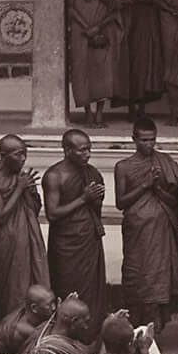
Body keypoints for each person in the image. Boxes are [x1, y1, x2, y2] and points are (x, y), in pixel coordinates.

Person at [115, 116, 178, 333]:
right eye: (144, 140)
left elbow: (174, 202)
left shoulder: (166, 163)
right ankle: (135, 331)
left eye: (152, 140)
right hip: (137, 232)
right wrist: (144, 186)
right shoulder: (123, 167)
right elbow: (121, 203)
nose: (149, 145)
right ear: (134, 139)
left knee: (158, 280)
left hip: (160, 232)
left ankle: (154, 335)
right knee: (137, 278)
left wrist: (157, 189)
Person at [0, 134, 49, 330]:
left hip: (25, 237)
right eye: (18, 155)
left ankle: (23, 333)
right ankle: (1, 334)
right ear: (3, 155)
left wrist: (30, 192)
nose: (23, 159)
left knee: (25, 286)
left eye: (25, 154)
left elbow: (33, 209)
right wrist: (19, 188)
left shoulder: (20, 176)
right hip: (1, 242)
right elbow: (1, 215)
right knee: (5, 290)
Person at [43, 129, 107, 328]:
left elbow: (96, 207)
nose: (87, 154)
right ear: (67, 150)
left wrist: (95, 199)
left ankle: (91, 334)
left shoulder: (92, 172)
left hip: (88, 238)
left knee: (92, 290)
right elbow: (52, 213)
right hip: (66, 244)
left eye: (89, 149)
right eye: (81, 150)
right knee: (67, 287)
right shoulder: (54, 176)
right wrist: (83, 198)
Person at [67, 0, 132, 126]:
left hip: (103, 28)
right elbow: (70, 8)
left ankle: (100, 114)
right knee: (82, 70)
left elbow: (119, 5)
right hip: (81, 30)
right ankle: (87, 112)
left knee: (103, 71)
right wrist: (86, 27)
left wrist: (98, 27)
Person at [112, 0, 163, 117]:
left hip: (147, 18)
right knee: (129, 60)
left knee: (145, 61)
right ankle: (130, 103)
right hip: (128, 18)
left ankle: (141, 104)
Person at [21, 294, 96, 354]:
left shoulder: (46, 327)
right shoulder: (54, 350)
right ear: (74, 321)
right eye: (85, 322)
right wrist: (107, 331)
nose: (86, 327)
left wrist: (65, 307)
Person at [0, 284, 56, 354]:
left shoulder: (27, 311)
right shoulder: (23, 329)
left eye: (54, 302)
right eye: (49, 305)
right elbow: (53, 342)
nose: (54, 308)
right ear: (34, 308)